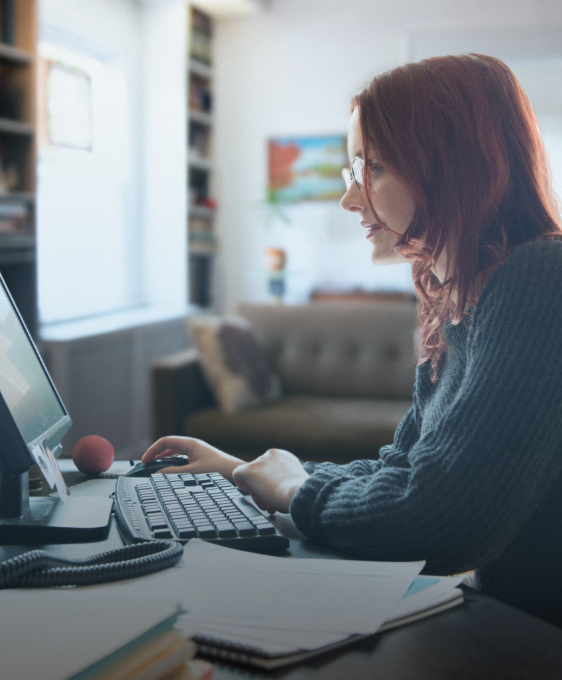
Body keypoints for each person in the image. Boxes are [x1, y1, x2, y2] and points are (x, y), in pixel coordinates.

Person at [143, 54, 562, 627]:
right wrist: (250, 473)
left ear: (451, 164)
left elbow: (442, 523)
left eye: (375, 169)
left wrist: (293, 490)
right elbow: (402, 472)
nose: (350, 199)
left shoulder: (543, 277)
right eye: (353, 173)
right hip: (502, 614)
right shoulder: (456, 305)